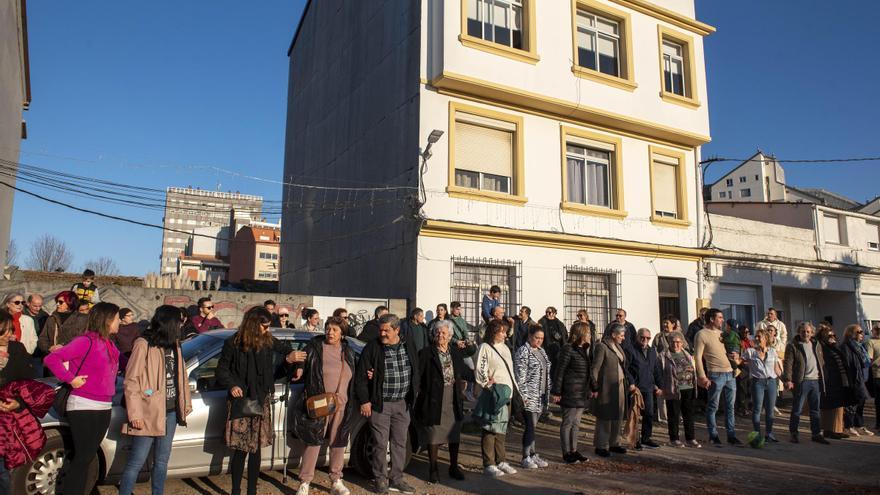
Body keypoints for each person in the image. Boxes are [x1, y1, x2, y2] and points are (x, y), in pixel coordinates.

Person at [215, 307, 302, 495]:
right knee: (240, 449)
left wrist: (296, 363)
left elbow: (289, 352)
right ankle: (236, 490)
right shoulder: (234, 342)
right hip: (241, 400)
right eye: (264, 326)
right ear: (254, 324)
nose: (267, 330)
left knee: (256, 450)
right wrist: (231, 385)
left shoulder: (268, 340)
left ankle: (252, 491)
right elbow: (221, 370)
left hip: (261, 399)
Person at [44, 302, 121, 495]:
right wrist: (70, 379)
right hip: (83, 404)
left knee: (86, 457)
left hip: (104, 405)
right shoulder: (86, 341)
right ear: (107, 319)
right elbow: (52, 359)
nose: (119, 321)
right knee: (83, 457)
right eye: (117, 317)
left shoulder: (110, 343)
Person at [118, 305, 193, 495]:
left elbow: (181, 377)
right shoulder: (143, 343)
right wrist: (135, 413)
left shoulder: (175, 344)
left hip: (171, 411)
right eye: (179, 321)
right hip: (147, 411)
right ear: (169, 323)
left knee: (161, 461)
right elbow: (132, 380)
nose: (181, 325)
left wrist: (185, 403)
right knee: (136, 461)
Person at [355, 314, 419, 494]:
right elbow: (361, 377)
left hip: (402, 403)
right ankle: (380, 480)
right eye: (380, 330)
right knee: (380, 444)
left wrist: (414, 394)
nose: (382, 333)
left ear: (397, 330)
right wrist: (365, 401)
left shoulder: (407, 345)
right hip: (380, 405)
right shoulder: (372, 348)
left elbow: (416, 369)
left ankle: (397, 479)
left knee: (400, 443)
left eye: (386, 330)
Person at [292, 316, 355, 495]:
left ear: (342, 333)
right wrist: (299, 366)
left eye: (335, 330)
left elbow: (355, 374)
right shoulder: (315, 347)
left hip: (341, 404)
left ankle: (336, 480)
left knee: (338, 442)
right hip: (319, 404)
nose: (330, 332)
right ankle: (305, 482)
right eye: (328, 328)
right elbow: (301, 358)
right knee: (314, 441)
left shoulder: (347, 351)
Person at [0, 309, 55, 494]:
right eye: (4, 330)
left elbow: (29, 383)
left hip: (8, 422)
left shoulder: (17, 349)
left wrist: (18, 403)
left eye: (10, 329)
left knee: (3, 472)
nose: (10, 334)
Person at [414, 320, 466, 484]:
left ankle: (453, 466)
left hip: (453, 397)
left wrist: (485, 379)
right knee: (434, 435)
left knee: (454, 433)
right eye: (437, 332)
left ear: (450, 336)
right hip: (434, 398)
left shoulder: (456, 352)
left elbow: (465, 372)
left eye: (444, 333)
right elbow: (417, 375)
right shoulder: (426, 353)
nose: (440, 335)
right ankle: (433, 469)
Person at [473, 319, 518, 477]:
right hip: (494, 393)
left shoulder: (505, 347)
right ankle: (489, 463)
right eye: (502, 331)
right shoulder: (485, 347)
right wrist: (487, 384)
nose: (505, 334)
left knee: (502, 429)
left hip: (506, 394)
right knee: (489, 428)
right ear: (494, 332)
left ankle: (501, 460)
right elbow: (480, 368)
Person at [694, 308, 741, 446]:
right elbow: (697, 357)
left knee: (730, 407)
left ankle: (731, 436)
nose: (722, 320)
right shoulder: (701, 334)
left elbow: (730, 352)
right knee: (713, 406)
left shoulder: (723, 334)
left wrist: (736, 358)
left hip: (730, 374)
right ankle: (713, 436)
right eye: (719, 317)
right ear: (711, 319)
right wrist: (702, 376)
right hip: (715, 374)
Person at [551, 321, 592, 463]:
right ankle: (566, 452)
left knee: (576, 424)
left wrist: (593, 388)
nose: (590, 335)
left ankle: (574, 450)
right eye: (588, 333)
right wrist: (556, 391)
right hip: (569, 391)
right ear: (581, 334)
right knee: (567, 422)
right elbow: (560, 370)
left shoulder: (584, 349)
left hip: (581, 392)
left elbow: (588, 371)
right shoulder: (568, 349)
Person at [591, 323, 634, 457]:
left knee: (618, 415)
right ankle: (601, 445)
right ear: (614, 335)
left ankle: (615, 443)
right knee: (605, 417)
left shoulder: (618, 347)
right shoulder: (602, 347)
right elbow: (595, 369)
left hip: (619, 387)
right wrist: (595, 387)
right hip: (606, 388)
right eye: (621, 335)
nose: (623, 338)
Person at [782, 321, 829, 444]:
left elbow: (821, 361)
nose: (805, 333)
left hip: (816, 381)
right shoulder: (793, 346)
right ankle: (794, 433)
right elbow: (788, 363)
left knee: (815, 409)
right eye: (803, 331)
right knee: (797, 409)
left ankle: (816, 434)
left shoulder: (816, 344)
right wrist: (788, 379)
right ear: (799, 332)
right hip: (802, 381)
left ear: (812, 333)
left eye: (808, 331)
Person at [513, 325, 551, 469]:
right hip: (529, 395)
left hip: (541, 395)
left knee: (534, 427)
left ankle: (533, 453)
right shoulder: (523, 351)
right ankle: (525, 456)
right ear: (529, 336)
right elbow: (520, 376)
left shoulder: (542, 351)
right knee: (530, 426)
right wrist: (524, 396)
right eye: (537, 338)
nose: (539, 341)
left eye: (541, 338)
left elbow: (546, 372)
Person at [741, 328, 782, 443]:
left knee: (770, 410)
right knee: (757, 409)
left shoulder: (773, 351)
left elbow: (777, 369)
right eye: (756, 337)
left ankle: (769, 434)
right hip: (757, 382)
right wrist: (736, 360)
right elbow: (740, 361)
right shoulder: (750, 351)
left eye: (760, 336)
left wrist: (787, 380)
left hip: (771, 382)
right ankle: (757, 435)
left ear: (766, 338)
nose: (757, 338)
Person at [659, 331, 700, 448]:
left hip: (689, 388)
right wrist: (661, 387)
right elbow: (659, 373)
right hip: (673, 389)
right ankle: (674, 439)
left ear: (682, 343)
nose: (675, 344)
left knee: (689, 415)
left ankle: (690, 438)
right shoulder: (663, 356)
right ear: (669, 343)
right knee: (673, 415)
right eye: (673, 342)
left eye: (678, 342)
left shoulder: (686, 354)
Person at [627, 328, 663, 450]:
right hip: (636, 388)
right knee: (635, 416)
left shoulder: (652, 351)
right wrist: (631, 383)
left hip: (648, 387)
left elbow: (656, 369)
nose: (645, 340)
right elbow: (626, 369)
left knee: (649, 413)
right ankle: (635, 440)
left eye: (648, 338)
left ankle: (646, 438)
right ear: (637, 337)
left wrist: (660, 385)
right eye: (642, 337)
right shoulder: (631, 350)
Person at [841, 324, 872, 437]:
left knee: (860, 403)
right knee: (851, 404)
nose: (862, 334)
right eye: (859, 332)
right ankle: (848, 427)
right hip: (854, 379)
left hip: (863, 378)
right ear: (851, 333)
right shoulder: (846, 346)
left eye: (862, 332)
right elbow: (848, 364)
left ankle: (859, 426)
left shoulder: (859, 346)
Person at [538, 307, 567, 373]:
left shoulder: (560, 324)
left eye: (549, 312)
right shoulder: (542, 322)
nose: (547, 314)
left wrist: (558, 337)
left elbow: (564, 336)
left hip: (557, 349)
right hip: (546, 348)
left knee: (556, 368)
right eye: (546, 312)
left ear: (554, 314)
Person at [867, 323, 880, 431]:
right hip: (877, 375)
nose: (878, 330)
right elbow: (869, 359)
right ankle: (879, 424)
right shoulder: (871, 342)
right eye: (876, 329)